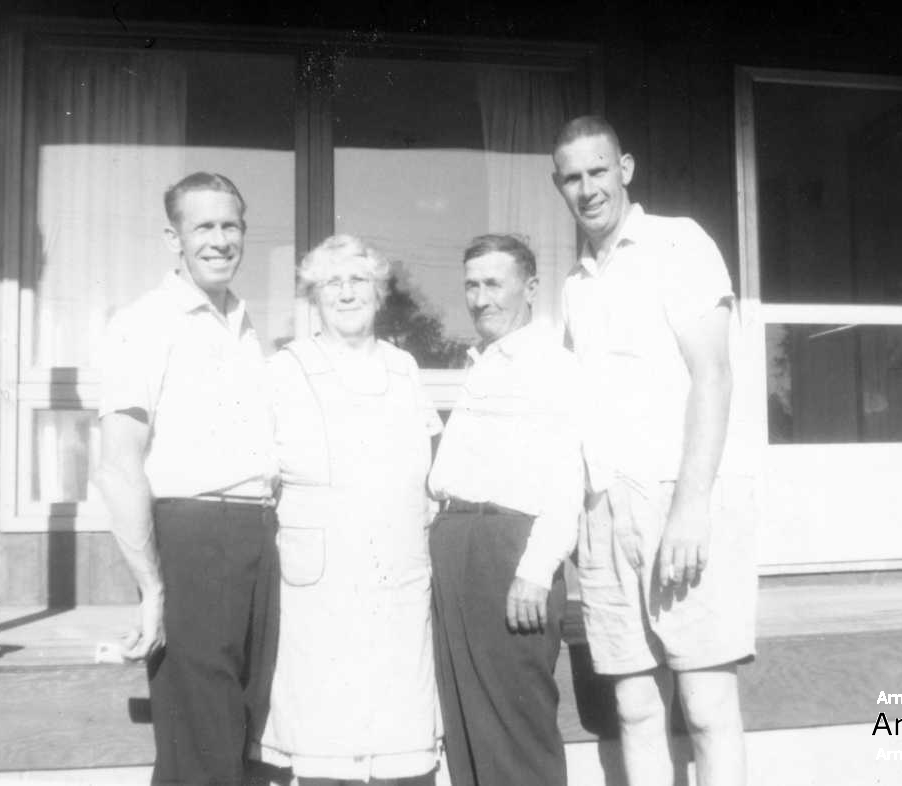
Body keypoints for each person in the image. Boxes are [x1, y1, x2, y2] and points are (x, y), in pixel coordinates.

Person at [551, 116, 757, 786]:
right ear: (559, 186)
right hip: (604, 509)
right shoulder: (575, 284)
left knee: (705, 703)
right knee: (636, 706)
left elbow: (713, 375)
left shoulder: (679, 242)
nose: (588, 189)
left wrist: (691, 509)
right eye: (572, 178)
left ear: (626, 169)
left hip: (679, 496)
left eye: (598, 171)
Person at [95, 171, 279, 785]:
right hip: (194, 536)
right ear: (173, 239)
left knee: (251, 729)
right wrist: (152, 588)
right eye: (204, 227)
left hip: (260, 532)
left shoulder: (246, 326)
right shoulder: (144, 322)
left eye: (231, 226)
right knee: (200, 738)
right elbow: (119, 465)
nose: (220, 240)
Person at [253, 234, 442, 786]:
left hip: (396, 573)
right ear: (313, 296)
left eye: (358, 280)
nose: (346, 293)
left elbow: (428, 471)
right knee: (325, 730)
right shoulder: (285, 368)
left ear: (379, 293)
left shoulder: (403, 367)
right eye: (331, 282)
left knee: (397, 726)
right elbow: (262, 475)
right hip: (321, 580)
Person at [427, 234, 584, 786]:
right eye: (471, 285)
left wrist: (536, 571)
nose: (480, 298)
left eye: (494, 283)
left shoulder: (552, 365)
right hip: (457, 545)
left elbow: (567, 479)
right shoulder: (482, 363)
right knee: (467, 729)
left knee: (517, 733)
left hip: (510, 554)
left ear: (531, 288)